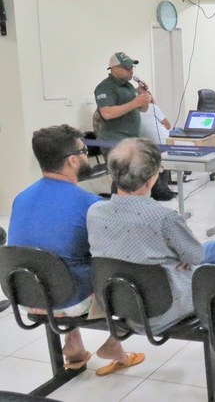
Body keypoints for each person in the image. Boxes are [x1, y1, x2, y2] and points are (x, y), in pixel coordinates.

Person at [7, 125, 144, 376]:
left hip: (25, 297)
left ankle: (74, 344)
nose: (86, 156)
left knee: (64, 261)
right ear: (72, 160)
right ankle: (114, 341)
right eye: (84, 151)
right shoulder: (90, 204)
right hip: (69, 300)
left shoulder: (21, 198)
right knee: (127, 267)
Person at [87, 138, 215, 334]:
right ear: (152, 179)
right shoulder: (164, 218)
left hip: (118, 303)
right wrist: (181, 257)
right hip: (165, 308)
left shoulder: (94, 211)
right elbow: (195, 256)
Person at [94, 52, 151, 149]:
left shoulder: (128, 86)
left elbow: (143, 109)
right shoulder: (105, 87)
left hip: (131, 140)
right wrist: (134, 103)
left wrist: (143, 95)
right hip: (115, 142)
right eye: (127, 68)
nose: (131, 71)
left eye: (132, 67)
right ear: (114, 68)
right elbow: (107, 113)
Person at [138, 89, 177, 201]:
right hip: (161, 143)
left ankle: (159, 189)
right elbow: (168, 125)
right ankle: (163, 190)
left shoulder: (132, 111)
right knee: (163, 162)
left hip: (144, 145)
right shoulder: (153, 107)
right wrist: (154, 105)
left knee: (155, 164)